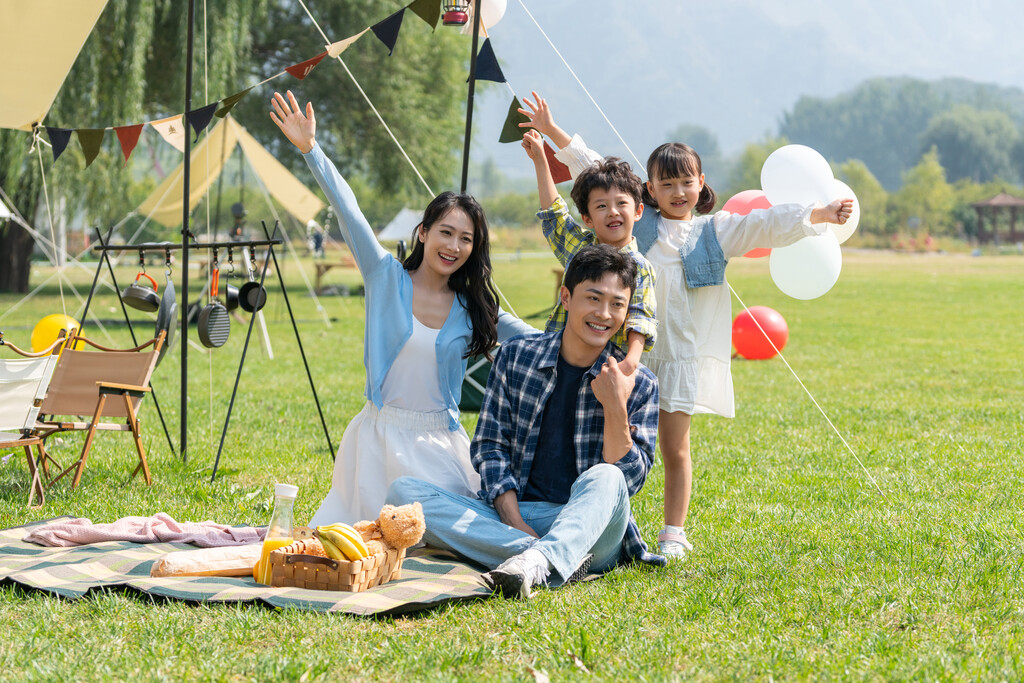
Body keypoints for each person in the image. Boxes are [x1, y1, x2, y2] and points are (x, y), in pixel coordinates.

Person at [519, 92, 853, 559]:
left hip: (678, 358)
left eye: (686, 182)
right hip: (623, 354)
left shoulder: (716, 231)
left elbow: (767, 224)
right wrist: (553, 132)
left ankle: (673, 531)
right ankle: (601, 519)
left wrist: (817, 214)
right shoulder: (638, 224)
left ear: (701, 184)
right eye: (666, 183)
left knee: (675, 447)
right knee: (603, 439)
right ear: (648, 193)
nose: (677, 192)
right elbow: (593, 168)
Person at [270, 90, 536, 525]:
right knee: (366, 541)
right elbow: (348, 210)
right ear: (423, 232)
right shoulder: (384, 276)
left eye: (466, 239)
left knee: (447, 538)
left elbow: (537, 339)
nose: (453, 246)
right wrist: (311, 150)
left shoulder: (474, 308)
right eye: (445, 233)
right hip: (376, 443)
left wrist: (605, 334)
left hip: (440, 444)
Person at [387, 244, 664, 599]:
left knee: (606, 476)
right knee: (405, 494)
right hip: (512, 515)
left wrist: (615, 405)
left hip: (591, 527)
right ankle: (543, 558)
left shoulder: (640, 382)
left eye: (617, 304)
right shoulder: (516, 357)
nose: (604, 314)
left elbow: (626, 482)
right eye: (593, 299)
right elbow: (489, 445)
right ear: (566, 297)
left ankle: (535, 555)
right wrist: (515, 521)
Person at [521, 128, 657, 377]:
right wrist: (540, 159)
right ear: (587, 218)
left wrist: (630, 363)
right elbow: (555, 215)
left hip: (608, 368)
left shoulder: (640, 266)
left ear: (638, 211)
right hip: (559, 362)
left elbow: (641, 316)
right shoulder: (580, 248)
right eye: (602, 206)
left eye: (621, 203)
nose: (613, 212)